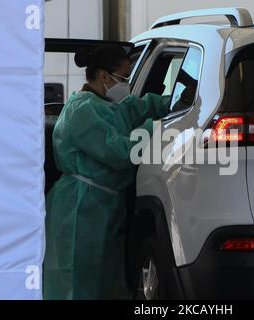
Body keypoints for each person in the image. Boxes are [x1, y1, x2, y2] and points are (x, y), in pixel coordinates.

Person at [43, 45, 169, 300]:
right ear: (104, 77)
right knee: (75, 280)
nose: (126, 85)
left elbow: (139, 107)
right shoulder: (82, 111)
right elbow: (121, 152)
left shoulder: (107, 106)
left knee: (101, 280)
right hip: (79, 208)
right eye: (123, 78)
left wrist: (176, 103)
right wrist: (154, 128)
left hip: (101, 207)